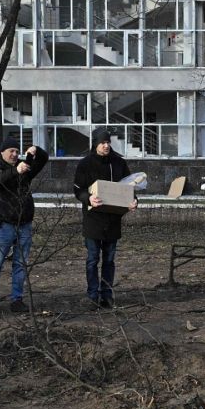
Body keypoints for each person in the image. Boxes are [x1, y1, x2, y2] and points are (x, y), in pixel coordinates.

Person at [0, 134, 49, 313]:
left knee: (21, 263)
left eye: (17, 151)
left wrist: (36, 151)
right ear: (2, 152)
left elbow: (43, 159)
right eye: (11, 151)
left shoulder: (24, 168)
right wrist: (15, 171)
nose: (15, 154)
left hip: (24, 223)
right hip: (3, 224)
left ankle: (17, 299)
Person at [71, 129, 135, 308]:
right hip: (93, 219)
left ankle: (106, 295)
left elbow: (129, 187)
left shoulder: (119, 163)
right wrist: (88, 198)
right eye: (102, 142)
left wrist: (133, 201)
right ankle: (92, 295)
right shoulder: (85, 164)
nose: (106, 145)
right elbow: (78, 189)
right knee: (92, 259)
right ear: (95, 144)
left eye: (108, 142)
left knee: (109, 260)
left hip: (113, 219)